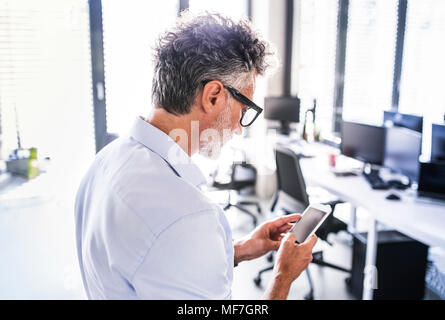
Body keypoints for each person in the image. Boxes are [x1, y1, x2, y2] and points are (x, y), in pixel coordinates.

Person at [74, 12, 317, 300]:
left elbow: (153, 266)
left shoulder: (105, 161)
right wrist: (283, 276)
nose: (239, 128)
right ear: (213, 95)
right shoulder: (187, 217)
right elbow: (170, 241)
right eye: (244, 110)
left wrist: (243, 248)